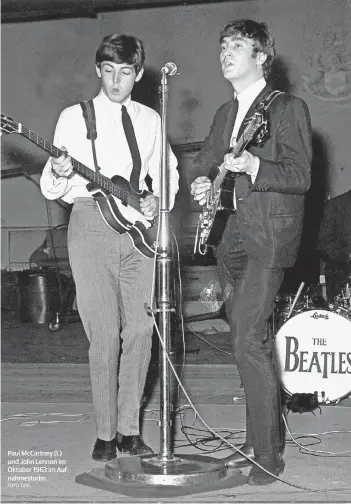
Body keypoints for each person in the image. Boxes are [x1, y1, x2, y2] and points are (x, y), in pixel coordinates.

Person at [40, 34, 179, 462]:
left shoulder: (151, 119)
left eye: (125, 72)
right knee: (103, 333)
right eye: (108, 70)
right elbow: (52, 185)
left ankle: (129, 429)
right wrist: (61, 170)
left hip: (138, 230)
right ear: (98, 70)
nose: (116, 80)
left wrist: (159, 199)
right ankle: (105, 433)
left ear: (138, 75)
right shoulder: (73, 117)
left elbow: (167, 172)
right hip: (89, 223)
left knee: (140, 329)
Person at [190, 20, 312, 485]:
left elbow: (300, 176)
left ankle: (269, 454)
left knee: (244, 336)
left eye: (237, 45)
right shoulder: (226, 114)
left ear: (263, 56)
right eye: (222, 45)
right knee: (249, 338)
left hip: (268, 237)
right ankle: (257, 437)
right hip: (231, 235)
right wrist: (201, 180)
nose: (226, 52)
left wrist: (255, 163)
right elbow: (205, 159)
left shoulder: (287, 108)